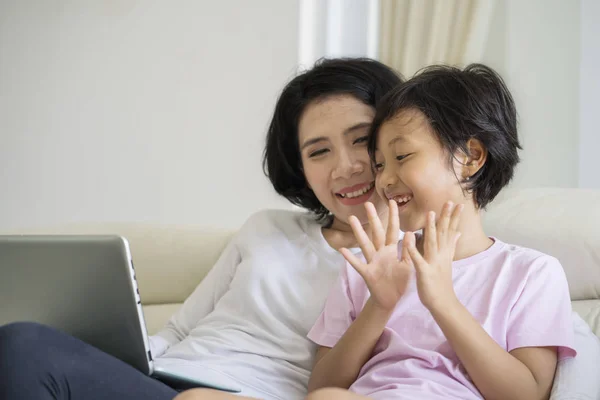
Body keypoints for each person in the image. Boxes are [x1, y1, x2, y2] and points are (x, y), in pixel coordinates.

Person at [0, 58, 404, 400]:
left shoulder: (421, 264)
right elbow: (178, 328)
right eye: (319, 151)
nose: (345, 167)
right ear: (300, 166)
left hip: (247, 395)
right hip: (161, 382)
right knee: (21, 345)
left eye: (361, 140)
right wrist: (113, 361)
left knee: (25, 345)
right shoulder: (266, 227)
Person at [304, 64, 577, 400]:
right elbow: (320, 388)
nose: (385, 180)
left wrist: (443, 301)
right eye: (379, 164)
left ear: (471, 156)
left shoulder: (531, 274)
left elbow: (527, 395)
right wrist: (379, 305)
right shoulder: (369, 268)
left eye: (401, 156)